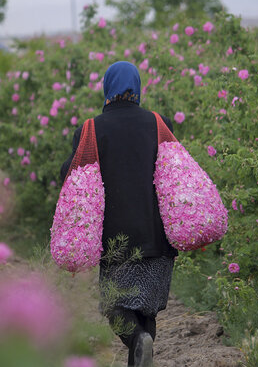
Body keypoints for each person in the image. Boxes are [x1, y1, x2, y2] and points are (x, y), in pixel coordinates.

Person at [60, 61, 177, 367]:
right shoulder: (159, 123)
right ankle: (142, 343)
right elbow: (175, 172)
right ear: (137, 86)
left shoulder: (91, 130)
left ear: (108, 87)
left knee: (115, 306)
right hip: (157, 235)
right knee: (145, 309)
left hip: (115, 238)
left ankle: (138, 341)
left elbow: (70, 175)